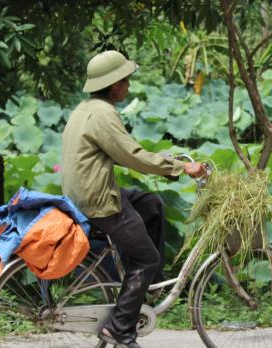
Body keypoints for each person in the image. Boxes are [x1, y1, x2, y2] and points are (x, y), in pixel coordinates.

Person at [61, 50, 206, 348]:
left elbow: (126, 151)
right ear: (114, 84)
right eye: (126, 80)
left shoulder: (86, 108)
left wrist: (165, 162)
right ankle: (119, 329)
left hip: (83, 192)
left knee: (151, 204)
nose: (128, 85)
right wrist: (181, 167)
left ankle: (144, 285)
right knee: (146, 257)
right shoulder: (104, 114)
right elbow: (131, 155)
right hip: (99, 200)